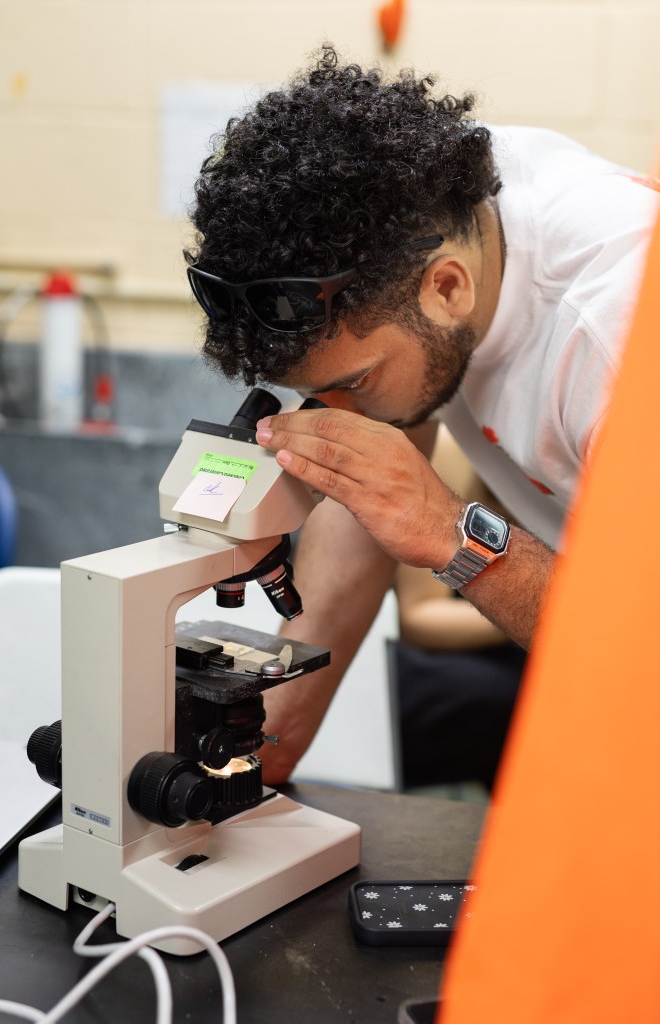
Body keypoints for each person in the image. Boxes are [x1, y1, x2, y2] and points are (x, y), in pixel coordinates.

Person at [185, 44, 659, 784]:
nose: (336, 413)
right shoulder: (433, 204)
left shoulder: (616, 338)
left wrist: (450, 532)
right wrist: (266, 753)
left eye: (355, 382)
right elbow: (365, 486)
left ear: (446, 288)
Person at [393, 426, 527, 792]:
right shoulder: (450, 452)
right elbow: (418, 619)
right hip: (402, 653)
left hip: (490, 640)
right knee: (517, 697)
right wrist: (542, 609)